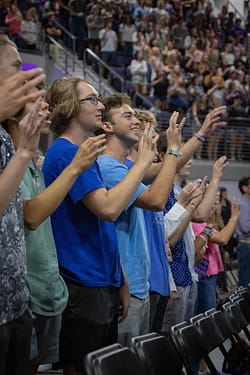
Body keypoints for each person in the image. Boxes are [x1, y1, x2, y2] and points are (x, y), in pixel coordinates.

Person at [42, 76, 158, 375]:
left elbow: (101, 225)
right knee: (83, 368)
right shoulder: (67, 152)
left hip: (99, 278)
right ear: (70, 107)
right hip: (82, 279)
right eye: (92, 99)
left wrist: (119, 277)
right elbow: (108, 209)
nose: (100, 105)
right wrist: (143, 162)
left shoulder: (84, 152)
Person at [4, 84, 107, 374]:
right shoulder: (22, 160)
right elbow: (32, 216)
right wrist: (76, 167)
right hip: (30, 293)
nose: (46, 108)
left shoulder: (35, 164)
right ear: (13, 115)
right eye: (36, 103)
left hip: (47, 290)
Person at [97, 93, 184, 346]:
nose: (136, 121)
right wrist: (173, 149)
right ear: (107, 126)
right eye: (128, 116)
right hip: (125, 285)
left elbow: (161, 171)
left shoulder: (123, 168)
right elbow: (157, 199)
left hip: (138, 283)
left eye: (135, 115)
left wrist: (182, 147)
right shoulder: (108, 166)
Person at [0, 34, 46, 375]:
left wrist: (26, 149)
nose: (24, 75)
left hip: (16, 301)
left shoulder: (3, 136)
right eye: (16, 66)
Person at [236, 176, 250, 287]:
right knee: (245, 280)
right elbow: (246, 227)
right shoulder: (243, 204)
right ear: (245, 188)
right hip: (246, 244)